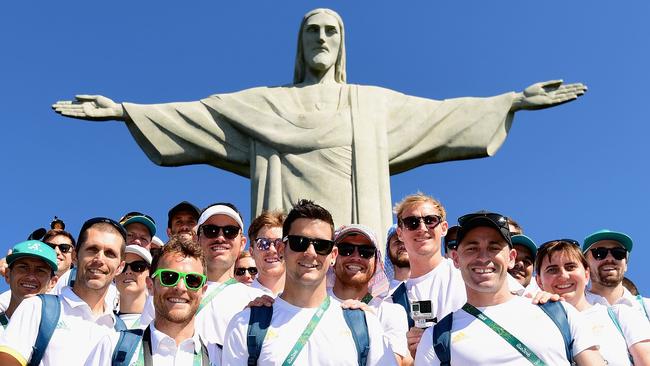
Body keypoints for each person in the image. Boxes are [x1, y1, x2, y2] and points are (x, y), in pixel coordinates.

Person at [52, 8, 587, 247]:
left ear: (342, 42)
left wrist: (512, 100)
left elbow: (440, 115)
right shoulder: (263, 104)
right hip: (284, 239)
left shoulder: (370, 103)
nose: (323, 39)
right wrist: (126, 110)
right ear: (300, 44)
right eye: (313, 31)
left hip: (360, 235)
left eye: (332, 30)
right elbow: (200, 115)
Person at [415, 212, 603, 365]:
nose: (483, 257)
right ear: (456, 258)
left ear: (511, 257)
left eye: (494, 247)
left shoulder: (559, 312)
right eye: (472, 248)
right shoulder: (436, 338)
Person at [222, 199, 396, 365]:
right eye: (300, 242)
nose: (311, 252)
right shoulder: (245, 324)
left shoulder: (364, 324)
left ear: (333, 255)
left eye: (322, 245)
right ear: (282, 249)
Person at [0, 217, 127, 366]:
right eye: (92, 249)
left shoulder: (120, 332)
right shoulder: (36, 308)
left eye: (110, 254)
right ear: (75, 256)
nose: (99, 259)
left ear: (120, 267)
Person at [85, 235, 221, 365]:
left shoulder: (219, 357)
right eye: (168, 277)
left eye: (192, 280)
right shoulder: (112, 347)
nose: (180, 287)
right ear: (150, 285)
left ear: (203, 291)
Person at [536, 239, 650, 365]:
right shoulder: (534, 323)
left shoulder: (622, 315)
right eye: (552, 270)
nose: (563, 276)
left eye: (570, 267)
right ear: (539, 281)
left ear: (586, 274)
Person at [330, 224, 411, 365]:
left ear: (376, 262)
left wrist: (370, 323)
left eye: (366, 252)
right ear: (333, 256)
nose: (356, 257)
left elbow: (395, 362)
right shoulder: (313, 304)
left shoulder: (391, 312)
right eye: (346, 250)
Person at [193, 203, 256, 348]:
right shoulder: (173, 290)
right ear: (197, 240)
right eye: (211, 230)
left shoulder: (260, 299)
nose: (221, 237)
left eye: (230, 231)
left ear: (242, 243)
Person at [582, 230, 650, 320]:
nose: (610, 258)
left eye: (618, 253)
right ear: (585, 265)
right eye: (599, 253)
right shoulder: (572, 310)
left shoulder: (647, 308)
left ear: (626, 264)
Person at [0, 240, 58, 336]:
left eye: (40, 270)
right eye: (23, 267)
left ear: (52, 283)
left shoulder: (60, 334)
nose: (31, 277)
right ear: (7, 275)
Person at [247, 211, 286, 296]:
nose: (272, 250)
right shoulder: (239, 301)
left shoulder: (309, 298)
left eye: (279, 243)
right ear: (252, 252)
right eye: (263, 243)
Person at [115, 245, 152, 329]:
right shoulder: (102, 322)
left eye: (138, 266)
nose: (128, 271)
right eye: (122, 267)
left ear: (149, 273)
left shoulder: (159, 324)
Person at [385, 224, 410, 292]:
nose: (403, 245)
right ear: (388, 251)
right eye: (397, 241)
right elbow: (362, 301)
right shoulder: (373, 292)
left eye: (408, 241)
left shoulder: (435, 283)